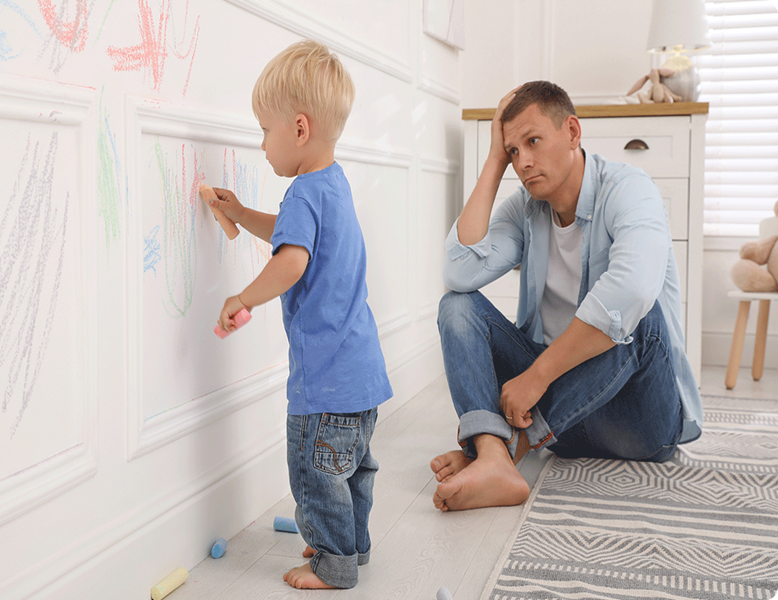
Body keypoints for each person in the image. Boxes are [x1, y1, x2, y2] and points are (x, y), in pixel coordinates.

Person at [431, 81, 703, 512]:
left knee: (641, 315)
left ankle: (514, 446)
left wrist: (536, 377)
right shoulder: (525, 208)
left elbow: (632, 291)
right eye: (513, 151)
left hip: (639, 423)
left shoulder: (629, 189)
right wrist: (494, 160)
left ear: (573, 132)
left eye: (533, 141)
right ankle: (492, 456)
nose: (523, 161)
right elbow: (459, 272)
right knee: (457, 307)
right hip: (563, 417)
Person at [209, 39, 392, 589]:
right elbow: (294, 236)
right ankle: (352, 545)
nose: (262, 143)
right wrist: (242, 213)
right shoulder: (331, 185)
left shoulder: (301, 195)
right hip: (362, 373)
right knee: (352, 470)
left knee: (315, 473)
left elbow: (292, 260)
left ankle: (333, 564)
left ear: (299, 128)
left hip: (325, 382)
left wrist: (242, 298)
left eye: (265, 130)